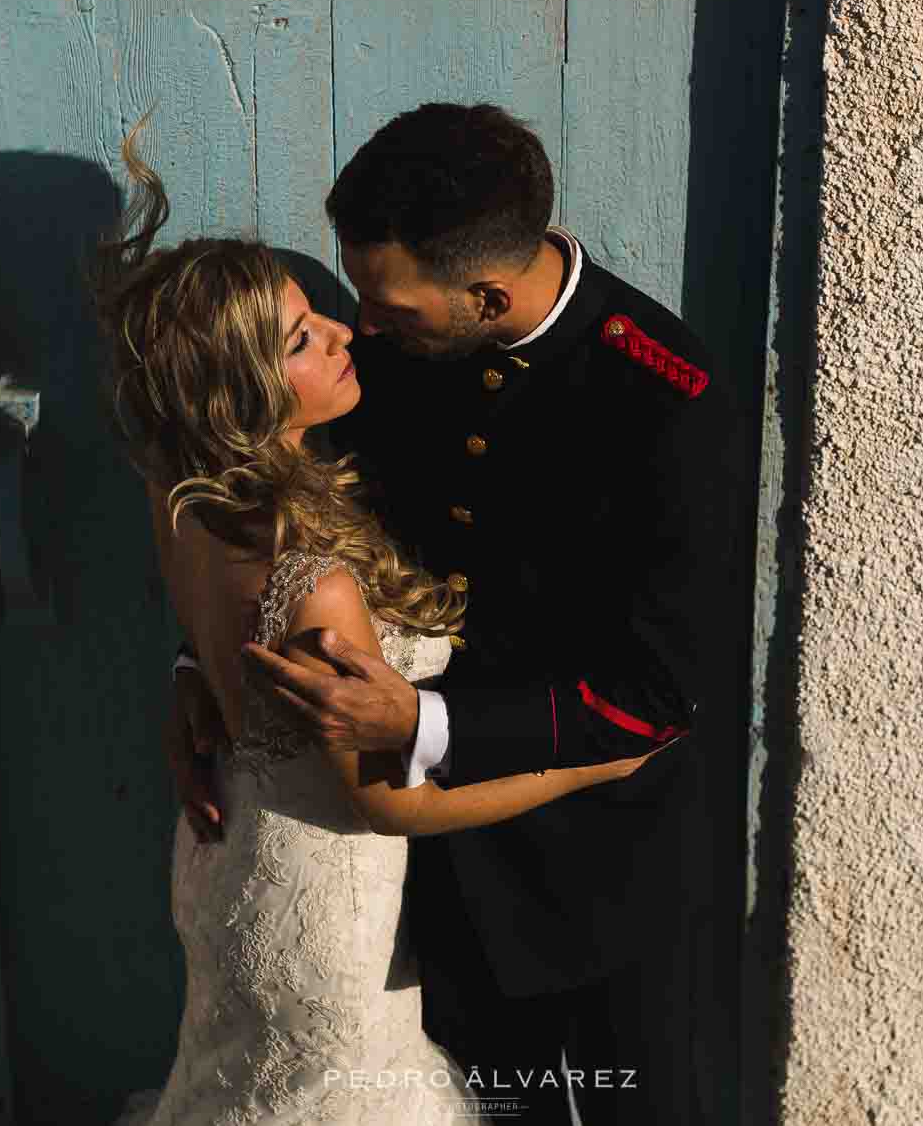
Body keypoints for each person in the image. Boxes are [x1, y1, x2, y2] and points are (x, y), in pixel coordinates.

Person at [91, 121, 673, 1126]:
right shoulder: (315, 579)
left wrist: (201, 675)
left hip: (232, 864)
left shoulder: (178, 494)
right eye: (302, 334)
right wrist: (601, 762)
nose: (346, 328)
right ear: (248, 389)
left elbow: (215, 616)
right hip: (326, 899)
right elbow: (385, 805)